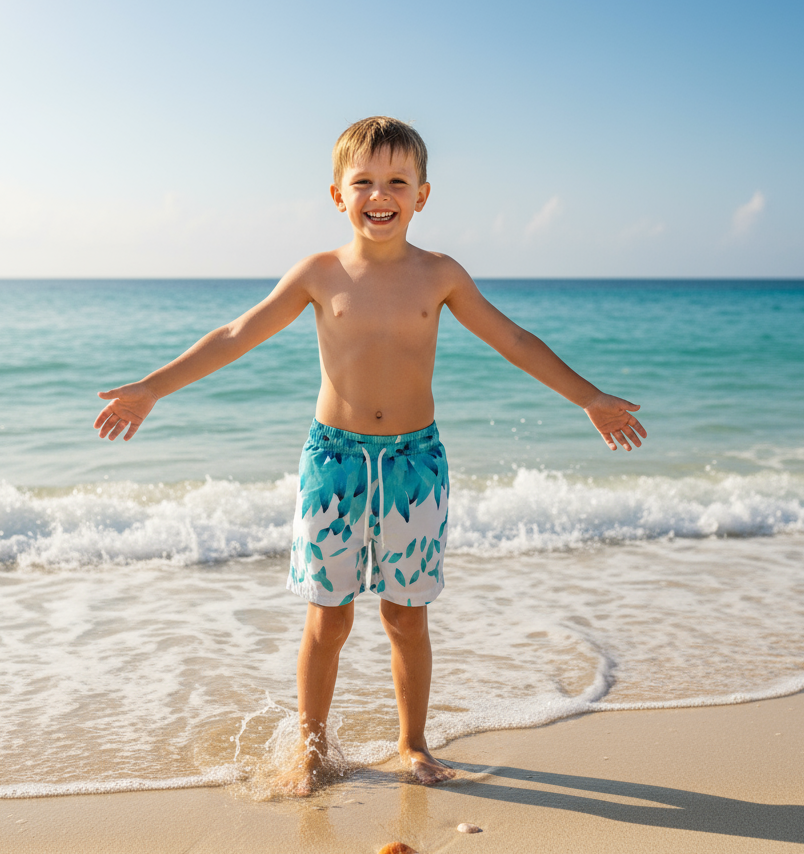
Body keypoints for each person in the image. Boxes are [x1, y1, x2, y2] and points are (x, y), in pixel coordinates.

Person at [93, 116, 646, 795]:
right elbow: (236, 333)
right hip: (335, 462)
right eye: (364, 182)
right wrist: (152, 388)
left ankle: (413, 745)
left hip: (416, 465)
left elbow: (515, 340)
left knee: (405, 616)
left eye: (397, 182)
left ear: (422, 195)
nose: (380, 194)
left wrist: (588, 397)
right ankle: (309, 750)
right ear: (338, 195)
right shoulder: (319, 274)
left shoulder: (440, 275)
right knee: (329, 617)